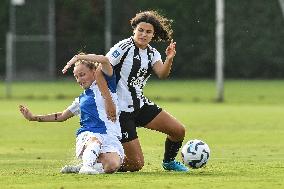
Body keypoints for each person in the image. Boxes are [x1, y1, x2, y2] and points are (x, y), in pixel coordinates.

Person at [62, 10, 188, 172]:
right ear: (134, 29)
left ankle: (169, 162)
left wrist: (169, 58)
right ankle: (96, 164)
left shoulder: (152, 53)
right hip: (120, 112)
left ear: (153, 34)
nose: (143, 34)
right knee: (136, 164)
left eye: (148, 32)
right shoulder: (123, 47)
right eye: (140, 30)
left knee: (178, 130)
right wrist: (109, 102)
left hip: (139, 105)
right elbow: (100, 71)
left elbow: (162, 74)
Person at [19, 54, 124, 175]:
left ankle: (81, 167)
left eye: (82, 74)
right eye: (76, 76)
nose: (79, 80)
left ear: (94, 71)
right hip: (89, 135)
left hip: (110, 136)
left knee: (112, 166)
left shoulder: (108, 84)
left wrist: (79, 57)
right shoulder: (81, 99)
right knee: (95, 140)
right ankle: (86, 166)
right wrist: (33, 118)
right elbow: (62, 116)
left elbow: (105, 60)